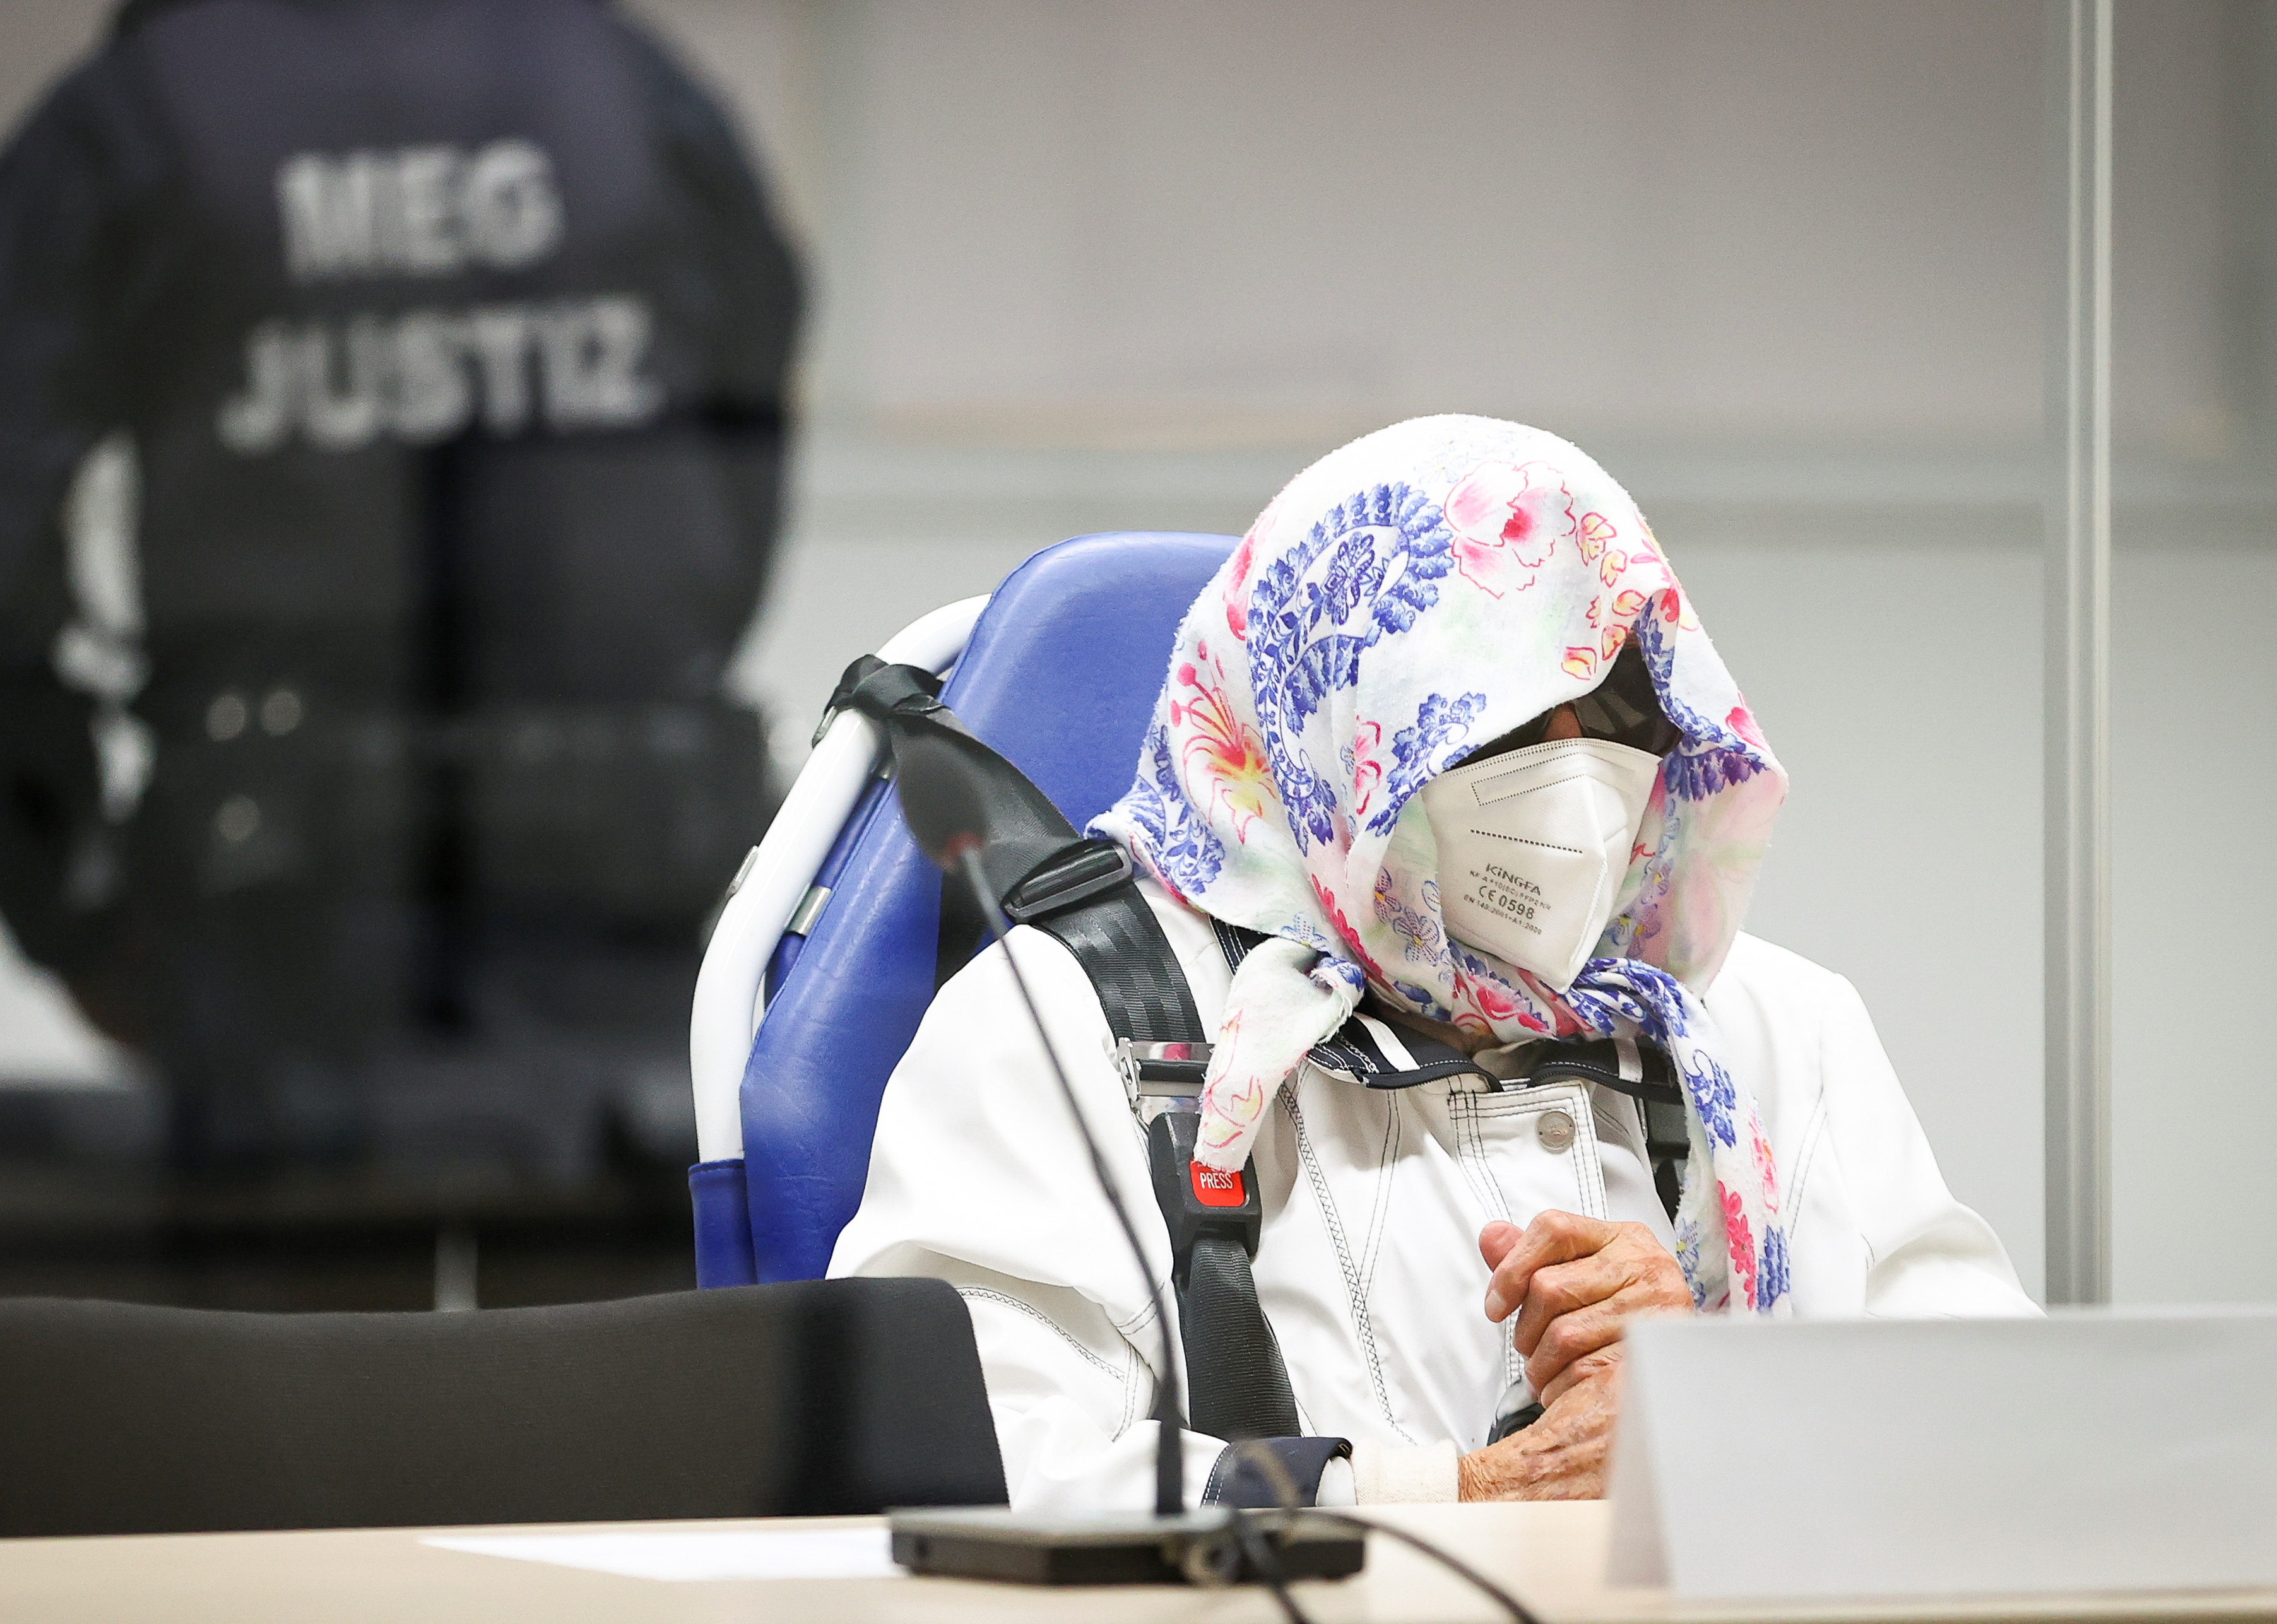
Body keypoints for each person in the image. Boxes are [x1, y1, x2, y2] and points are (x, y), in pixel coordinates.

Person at [829, 415, 2034, 1509]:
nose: (1574, 774)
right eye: (1503, 720)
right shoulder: (1084, 1018)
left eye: (1612, 710)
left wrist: (1728, 1401)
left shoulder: (1770, 1028)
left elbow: (2015, 1441)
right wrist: (1460, 1491)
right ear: (1348, 721)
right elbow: (960, 1467)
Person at [0, 0, 801, 1170]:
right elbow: (744, 430)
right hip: (627, 905)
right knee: (625, 1339)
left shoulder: (145, 111)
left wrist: (66, 898)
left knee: (297, 1343)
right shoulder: (630, 87)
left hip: (276, 930)